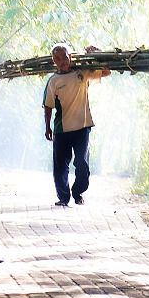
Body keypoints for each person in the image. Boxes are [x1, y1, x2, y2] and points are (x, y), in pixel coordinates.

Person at [43, 43, 110, 206]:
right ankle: (63, 198)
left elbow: (106, 72)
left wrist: (97, 54)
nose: (62, 61)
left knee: (82, 164)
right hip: (61, 129)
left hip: (83, 127)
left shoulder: (82, 73)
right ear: (54, 61)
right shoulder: (53, 81)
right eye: (58, 59)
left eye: (64, 57)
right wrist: (47, 127)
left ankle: (78, 192)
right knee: (60, 166)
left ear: (70, 57)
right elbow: (48, 106)